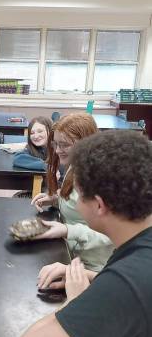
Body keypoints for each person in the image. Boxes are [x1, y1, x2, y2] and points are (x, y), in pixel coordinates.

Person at [15, 130, 152, 337]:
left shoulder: (126, 283)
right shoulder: (139, 247)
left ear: (99, 205)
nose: (76, 206)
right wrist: (95, 278)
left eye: (78, 196)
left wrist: (75, 301)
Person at [31, 113, 114, 274]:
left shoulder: (102, 178)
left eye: (64, 145)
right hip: (71, 254)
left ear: (85, 143)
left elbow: (112, 234)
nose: (57, 150)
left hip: (94, 267)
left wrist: (68, 230)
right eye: (56, 144)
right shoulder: (74, 165)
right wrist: (55, 200)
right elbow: (76, 200)